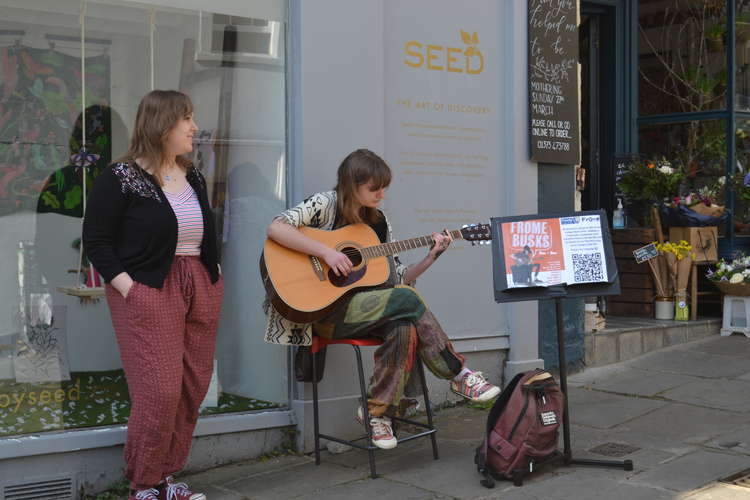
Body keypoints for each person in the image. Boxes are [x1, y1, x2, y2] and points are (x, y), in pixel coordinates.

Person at [264, 148, 500, 450]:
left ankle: (377, 414)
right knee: (405, 300)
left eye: (384, 187)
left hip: (368, 313)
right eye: (374, 188)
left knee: (403, 324)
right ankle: (459, 373)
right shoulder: (325, 204)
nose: (381, 194)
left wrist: (431, 257)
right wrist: (327, 252)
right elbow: (276, 227)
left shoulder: (377, 223)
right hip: (324, 315)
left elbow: (398, 277)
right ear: (352, 185)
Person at [83, 90, 222, 500]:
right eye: (187, 119)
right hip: (149, 287)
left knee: (192, 386)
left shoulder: (191, 173)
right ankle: (143, 483)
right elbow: (96, 240)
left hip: (200, 282)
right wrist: (130, 289)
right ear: (162, 124)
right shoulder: (120, 177)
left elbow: (203, 231)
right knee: (158, 391)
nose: (194, 128)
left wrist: (214, 274)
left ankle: (165, 477)